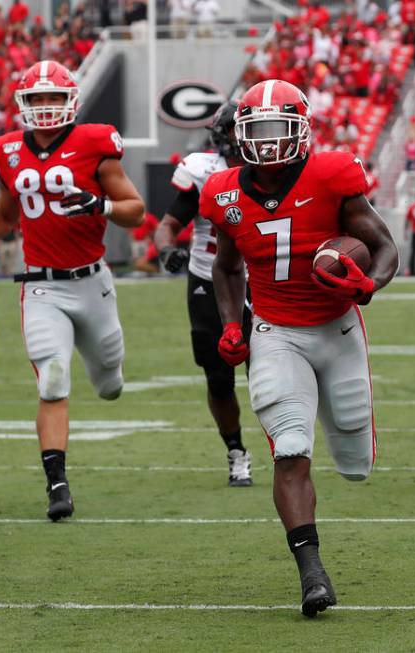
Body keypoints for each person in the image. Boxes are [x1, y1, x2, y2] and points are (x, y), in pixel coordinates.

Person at [200, 79, 398, 617]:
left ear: (301, 129)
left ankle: (349, 453)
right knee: (289, 448)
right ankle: (312, 573)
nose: (266, 142)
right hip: (274, 332)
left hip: (337, 329)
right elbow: (225, 266)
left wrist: (368, 285)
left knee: (355, 462)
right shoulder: (222, 190)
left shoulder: (333, 174)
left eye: (276, 129)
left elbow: (383, 247)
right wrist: (231, 324)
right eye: (256, 131)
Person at [0, 60, 145, 520]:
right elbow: (5, 213)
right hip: (42, 286)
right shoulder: (7, 150)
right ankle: (58, 485)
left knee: (109, 384)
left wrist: (99, 204)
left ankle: (108, 371)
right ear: (22, 105)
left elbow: (135, 210)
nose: (45, 107)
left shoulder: (93, 142)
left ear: (71, 102)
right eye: (37, 99)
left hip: (92, 282)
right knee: (52, 378)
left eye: (53, 98)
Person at [153, 101, 255, 487]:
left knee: (272, 372)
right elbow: (168, 225)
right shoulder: (203, 171)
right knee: (219, 377)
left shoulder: (275, 172)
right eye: (236, 130)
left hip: (262, 279)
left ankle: (286, 447)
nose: (243, 138)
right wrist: (166, 251)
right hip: (210, 280)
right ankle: (235, 449)